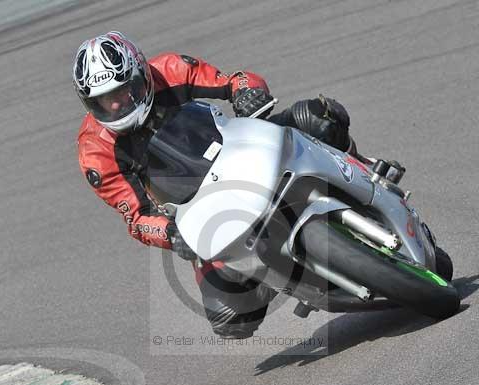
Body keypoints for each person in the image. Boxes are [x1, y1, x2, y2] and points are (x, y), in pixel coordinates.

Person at [74, 32, 401, 339]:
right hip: (199, 209)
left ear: (141, 74)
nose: (116, 105)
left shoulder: (172, 70)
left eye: (121, 92)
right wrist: (172, 233)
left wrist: (247, 93)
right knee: (230, 317)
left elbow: (235, 80)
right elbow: (136, 218)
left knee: (317, 116)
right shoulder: (95, 153)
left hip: (241, 150)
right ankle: (274, 274)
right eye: (104, 101)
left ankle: (363, 168)